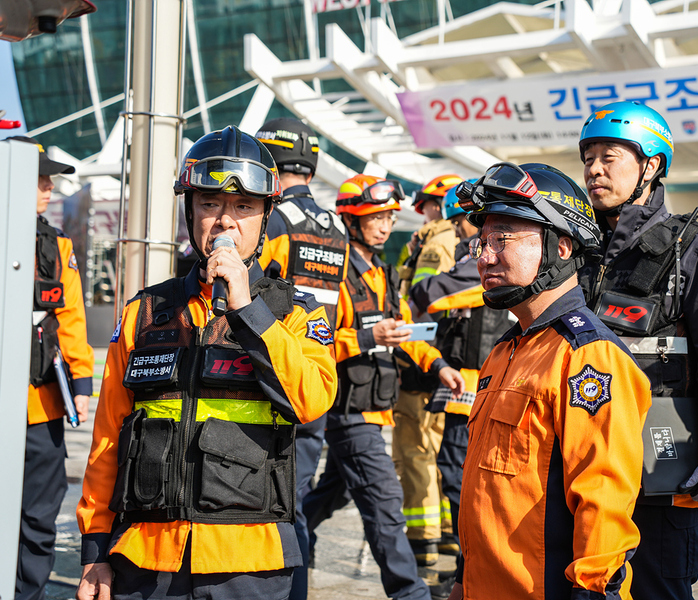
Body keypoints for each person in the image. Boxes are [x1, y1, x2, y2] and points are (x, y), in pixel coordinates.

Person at [75, 126, 338, 600]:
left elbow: (311, 402)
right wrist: (95, 550)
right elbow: (107, 438)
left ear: (265, 217)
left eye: (243, 208)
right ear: (189, 211)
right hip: (144, 558)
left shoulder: (299, 313)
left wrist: (247, 311)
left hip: (250, 563)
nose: (225, 222)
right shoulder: (144, 312)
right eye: (210, 204)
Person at [446, 162, 652, 600]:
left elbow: (604, 505)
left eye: (503, 239)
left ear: (560, 246)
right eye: (481, 242)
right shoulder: (506, 350)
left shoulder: (588, 356)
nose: (484, 257)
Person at [577, 101, 698, 600]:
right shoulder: (578, 251)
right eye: (588, 156)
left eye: (609, 156)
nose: (593, 169)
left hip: (660, 468)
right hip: (584, 462)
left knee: (656, 587)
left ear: (651, 166)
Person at [302, 174, 464, 600]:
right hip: (345, 407)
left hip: (373, 406)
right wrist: (367, 338)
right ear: (351, 220)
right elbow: (308, 343)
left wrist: (440, 364)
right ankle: (410, 593)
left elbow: (406, 331)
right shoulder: (330, 272)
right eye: (375, 217)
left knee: (330, 492)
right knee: (384, 501)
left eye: (390, 217)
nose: (385, 226)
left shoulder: (384, 273)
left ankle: (295, 539)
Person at [255, 117, 349, 600]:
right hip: (317, 373)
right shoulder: (337, 228)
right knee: (296, 499)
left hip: (270, 377)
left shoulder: (272, 221)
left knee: (270, 505)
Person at [6, 135, 94, 600]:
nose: (47, 189)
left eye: (49, 181)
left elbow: (72, 318)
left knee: (38, 518)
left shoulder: (56, 247)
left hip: (42, 406)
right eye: (39, 179)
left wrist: (80, 383)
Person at [408, 182, 513, 559]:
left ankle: (478, 558)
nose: (457, 233)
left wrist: (414, 296)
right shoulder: (477, 256)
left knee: (458, 471)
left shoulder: (480, 261)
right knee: (458, 470)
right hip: (469, 378)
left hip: (477, 381)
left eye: (461, 225)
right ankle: (471, 557)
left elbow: (431, 295)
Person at [394, 173, 463, 566]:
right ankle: (447, 533)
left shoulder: (436, 242)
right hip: (442, 364)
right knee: (439, 455)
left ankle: (424, 539)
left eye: (426, 209)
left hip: (423, 361)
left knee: (416, 452)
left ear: (437, 206)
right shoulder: (466, 242)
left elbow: (421, 303)